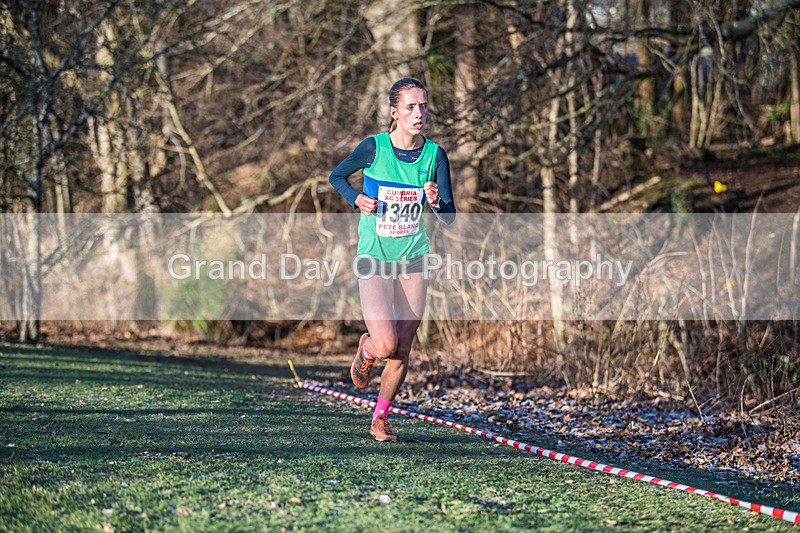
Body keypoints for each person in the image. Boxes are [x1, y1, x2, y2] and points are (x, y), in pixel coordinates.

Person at [328, 77, 456, 442]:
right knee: (384, 345)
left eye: (424, 106)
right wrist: (356, 198)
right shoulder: (373, 148)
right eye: (411, 107)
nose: (419, 114)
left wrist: (435, 201)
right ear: (394, 112)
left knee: (402, 346)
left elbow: (449, 215)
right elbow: (336, 176)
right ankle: (366, 347)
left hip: (414, 257)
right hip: (375, 255)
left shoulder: (435, 155)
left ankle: (380, 419)